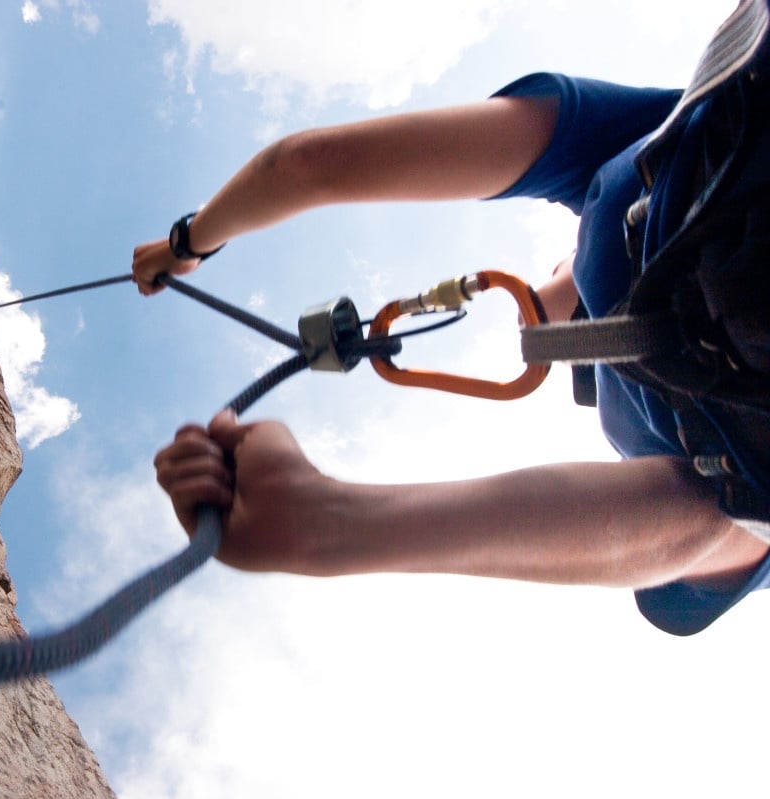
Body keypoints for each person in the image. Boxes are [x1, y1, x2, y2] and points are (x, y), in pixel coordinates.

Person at [132, 8, 770, 635]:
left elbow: (724, 526)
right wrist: (187, 244)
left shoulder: (635, 151)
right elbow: (308, 164)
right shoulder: (653, 145)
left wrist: (335, 525)